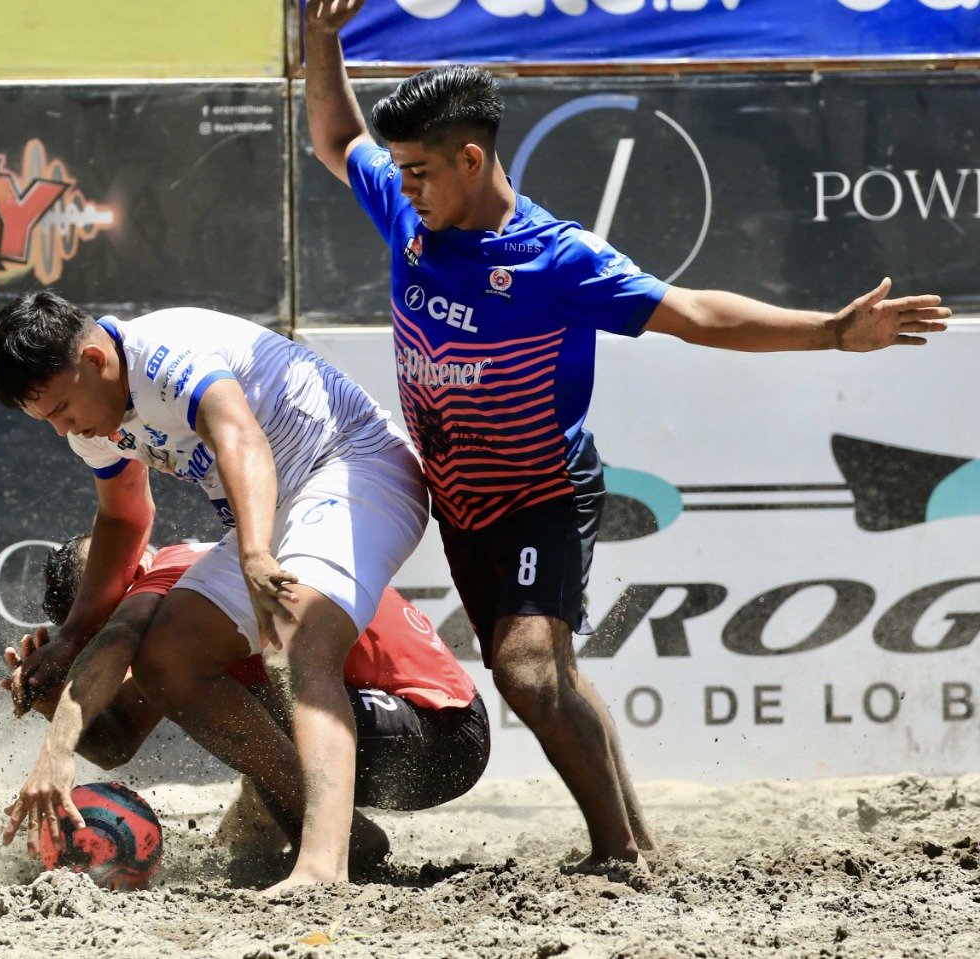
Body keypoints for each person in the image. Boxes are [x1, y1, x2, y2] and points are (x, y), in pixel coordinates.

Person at [302, 0, 951, 874]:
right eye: (402, 173)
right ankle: (639, 842)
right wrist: (323, 43)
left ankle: (616, 856)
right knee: (541, 674)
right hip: (463, 503)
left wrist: (831, 331)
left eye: (418, 170)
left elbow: (696, 315)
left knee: (530, 671)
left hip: (542, 491)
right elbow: (339, 140)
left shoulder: (554, 257)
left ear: (470, 157)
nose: (403, 186)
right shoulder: (415, 222)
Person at [0, 290, 430, 891]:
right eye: (50, 421)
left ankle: (323, 869)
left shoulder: (163, 352)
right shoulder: (95, 425)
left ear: (94, 358)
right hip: (274, 508)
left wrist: (252, 552)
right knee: (167, 659)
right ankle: (342, 829)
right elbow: (123, 520)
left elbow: (239, 437)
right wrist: (67, 641)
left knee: (297, 626)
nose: (65, 429)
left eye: (64, 408)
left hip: (354, 461)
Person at [0, 534, 489, 874]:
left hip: (441, 732)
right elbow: (119, 740)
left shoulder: (177, 573)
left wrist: (56, 752)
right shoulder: (177, 604)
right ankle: (286, 845)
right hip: (402, 728)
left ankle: (347, 842)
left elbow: (130, 646)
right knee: (237, 734)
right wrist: (49, 702)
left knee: (243, 706)